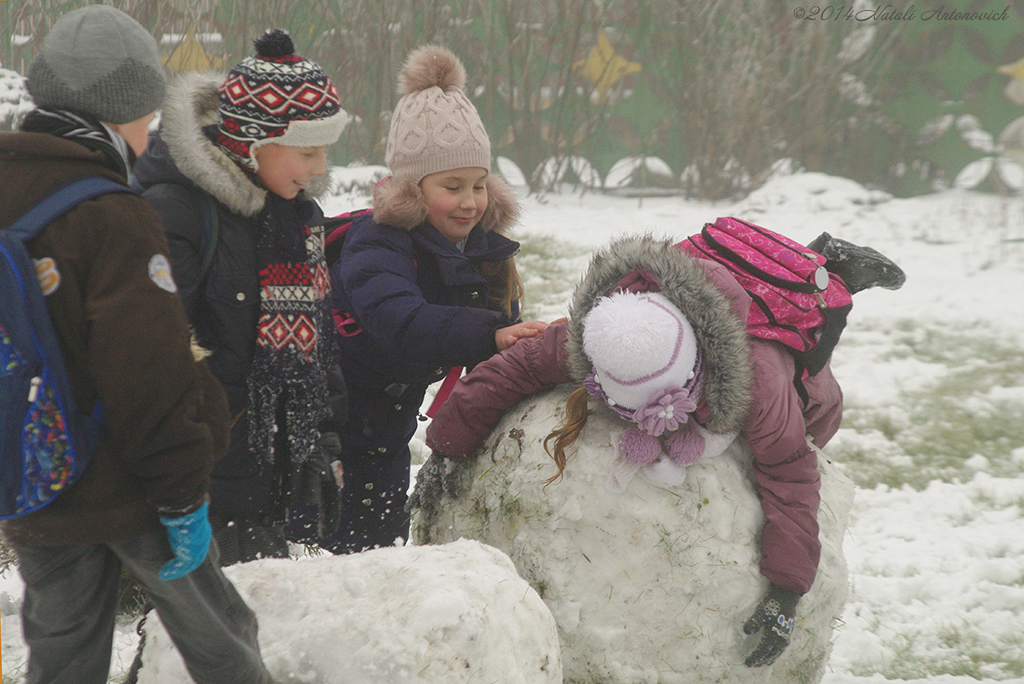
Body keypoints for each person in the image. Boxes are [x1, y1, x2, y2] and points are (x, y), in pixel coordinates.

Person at [413, 231, 905, 667]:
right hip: (701, 282)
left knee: (819, 410)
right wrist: (446, 451)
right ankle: (805, 265)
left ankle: (829, 273)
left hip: (757, 325)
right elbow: (509, 371)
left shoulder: (760, 376)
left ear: (694, 371)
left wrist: (788, 589)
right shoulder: (600, 334)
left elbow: (791, 470)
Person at [0, 6, 275, 683]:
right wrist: (183, 496)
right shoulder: (114, 215)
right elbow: (149, 372)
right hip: (135, 488)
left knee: (63, 660)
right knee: (224, 644)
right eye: (146, 115)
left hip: (36, 481)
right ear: (120, 109)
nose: (150, 131)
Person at [285, 44, 548, 555]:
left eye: (479, 185)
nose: (470, 202)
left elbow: (497, 335)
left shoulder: (481, 249)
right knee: (319, 556)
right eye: (452, 186)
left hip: (387, 426)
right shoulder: (377, 242)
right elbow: (400, 322)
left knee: (381, 546)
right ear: (412, 188)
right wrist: (489, 333)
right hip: (327, 425)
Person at [133, 29, 350, 565]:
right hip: (197, 478)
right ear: (253, 143)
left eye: (324, 151)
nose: (320, 168)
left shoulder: (299, 220)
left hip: (265, 473)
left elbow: (317, 345)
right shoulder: (179, 212)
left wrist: (321, 445)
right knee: (208, 633)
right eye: (307, 150)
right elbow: (149, 352)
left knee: (244, 626)